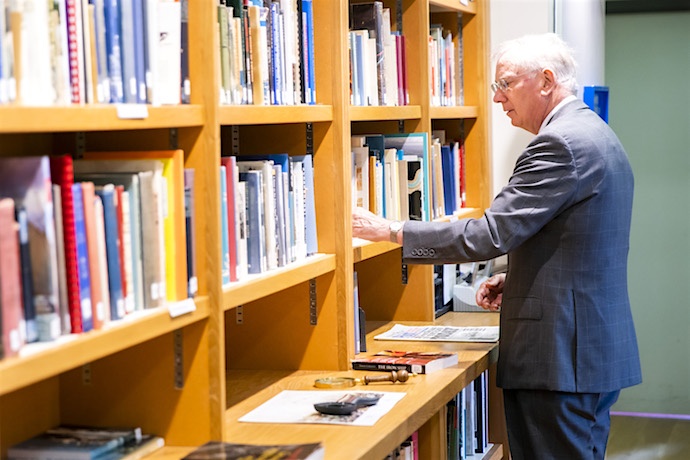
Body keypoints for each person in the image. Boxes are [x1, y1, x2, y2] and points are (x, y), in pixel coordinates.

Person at [352, 33, 642, 459]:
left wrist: (392, 230)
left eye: (505, 84)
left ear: (546, 81)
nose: (496, 99)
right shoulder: (592, 131)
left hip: (561, 359)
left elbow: (489, 234)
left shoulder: (559, 143)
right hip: (585, 350)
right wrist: (523, 277)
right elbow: (582, 240)